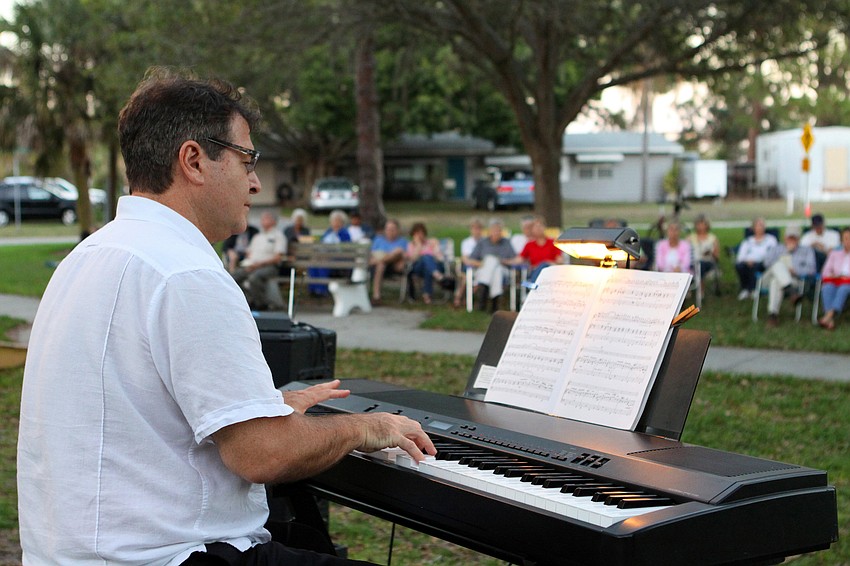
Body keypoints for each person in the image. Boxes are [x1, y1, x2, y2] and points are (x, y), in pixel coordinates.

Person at [17, 70, 435, 566]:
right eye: (246, 159)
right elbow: (263, 455)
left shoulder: (89, 255)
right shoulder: (186, 271)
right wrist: (366, 429)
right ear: (194, 160)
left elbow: (136, 409)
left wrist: (262, 406)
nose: (255, 181)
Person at [760, 224, 816, 327]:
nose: (791, 240)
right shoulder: (776, 248)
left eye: (794, 238)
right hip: (768, 277)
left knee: (776, 282)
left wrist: (796, 271)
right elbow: (766, 263)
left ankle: (773, 315)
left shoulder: (807, 250)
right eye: (789, 237)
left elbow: (811, 269)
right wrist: (786, 252)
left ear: (799, 239)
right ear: (784, 237)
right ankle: (792, 293)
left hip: (795, 279)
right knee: (777, 264)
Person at [232, 210, 287, 310]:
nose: (262, 220)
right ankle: (248, 300)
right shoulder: (257, 237)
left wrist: (258, 265)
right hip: (252, 266)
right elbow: (249, 253)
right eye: (262, 218)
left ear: (274, 221)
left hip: (269, 266)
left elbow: (278, 257)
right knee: (234, 277)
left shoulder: (278, 236)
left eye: (266, 218)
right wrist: (249, 264)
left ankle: (261, 305)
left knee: (254, 278)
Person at [467, 218, 520, 311]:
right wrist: (481, 263)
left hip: (503, 270)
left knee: (496, 265)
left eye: (498, 230)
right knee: (493, 264)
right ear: (489, 231)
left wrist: (503, 261)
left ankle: (483, 289)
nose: (496, 233)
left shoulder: (506, 243)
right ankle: (494, 305)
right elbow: (471, 259)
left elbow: (515, 259)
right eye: (494, 230)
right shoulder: (483, 242)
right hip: (483, 269)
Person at [309, 209, 352, 296]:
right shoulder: (328, 232)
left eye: (338, 221)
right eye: (334, 221)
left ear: (342, 222)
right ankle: (313, 290)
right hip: (325, 257)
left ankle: (322, 290)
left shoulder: (344, 233)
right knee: (313, 265)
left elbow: (344, 251)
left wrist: (329, 255)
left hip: (339, 261)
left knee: (322, 265)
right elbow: (321, 245)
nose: (335, 223)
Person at [735, 217, 779, 300]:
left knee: (755, 266)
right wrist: (747, 261)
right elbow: (740, 257)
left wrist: (758, 260)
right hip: (747, 262)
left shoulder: (771, 240)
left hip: (763, 262)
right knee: (739, 266)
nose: (759, 227)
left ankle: (751, 289)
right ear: (753, 228)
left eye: (761, 225)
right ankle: (746, 289)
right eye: (757, 225)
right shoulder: (747, 241)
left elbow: (774, 254)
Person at [406, 221, 448, 304]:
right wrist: (418, 246)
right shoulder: (411, 245)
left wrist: (435, 247)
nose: (419, 235)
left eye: (421, 232)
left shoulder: (432, 242)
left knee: (428, 268)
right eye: (417, 233)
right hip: (418, 268)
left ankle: (427, 295)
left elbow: (440, 257)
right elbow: (412, 260)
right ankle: (438, 276)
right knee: (426, 257)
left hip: (435, 266)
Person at [818, 227, 850, 330]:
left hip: (847, 282)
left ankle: (829, 315)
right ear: (841, 240)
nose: (848, 241)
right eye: (846, 238)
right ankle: (830, 320)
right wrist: (833, 275)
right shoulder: (834, 254)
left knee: (843, 288)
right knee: (827, 287)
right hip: (835, 280)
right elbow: (825, 271)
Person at [369, 218, 407, 304]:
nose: (390, 231)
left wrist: (387, 256)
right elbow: (372, 254)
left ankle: (376, 296)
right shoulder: (378, 240)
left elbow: (403, 255)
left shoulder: (402, 241)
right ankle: (376, 296)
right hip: (376, 267)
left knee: (397, 251)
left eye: (393, 229)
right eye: (388, 229)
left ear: (397, 230)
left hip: (393, 266)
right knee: (381, 264)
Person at [518, 215, 563, 283]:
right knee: (540, 268)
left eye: (540, 226)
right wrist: (504, 261)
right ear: (532, 229)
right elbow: (519, 259)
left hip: (551, 271)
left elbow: (560, 261)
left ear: (544, 227)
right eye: (536, 227)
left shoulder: (553, 243)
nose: (538, 229)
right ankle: (534, 284)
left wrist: (548, 263)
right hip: (535, 271)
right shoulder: (529, 245)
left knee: (544, 265)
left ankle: (532, 286)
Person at [453, 217, 484, 308]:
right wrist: (478, 263)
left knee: (480, 276)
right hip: (469, 266)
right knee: (467, 275)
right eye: (474, 228)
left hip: (480, 267)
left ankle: (465, 298)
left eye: (478, 228)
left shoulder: (484, 241)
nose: (476, 231)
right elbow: (465, 259)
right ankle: (460, 297)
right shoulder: (466, 242)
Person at [687, 213, 720, 284]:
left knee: (701, 265)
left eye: (703, 224)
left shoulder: (712, 238)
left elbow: (717, 257)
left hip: (707, 262)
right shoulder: (690, 238)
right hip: (693, 262)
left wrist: (711, 253)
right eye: (698, 224)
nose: (701, 227)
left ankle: (699, 289)